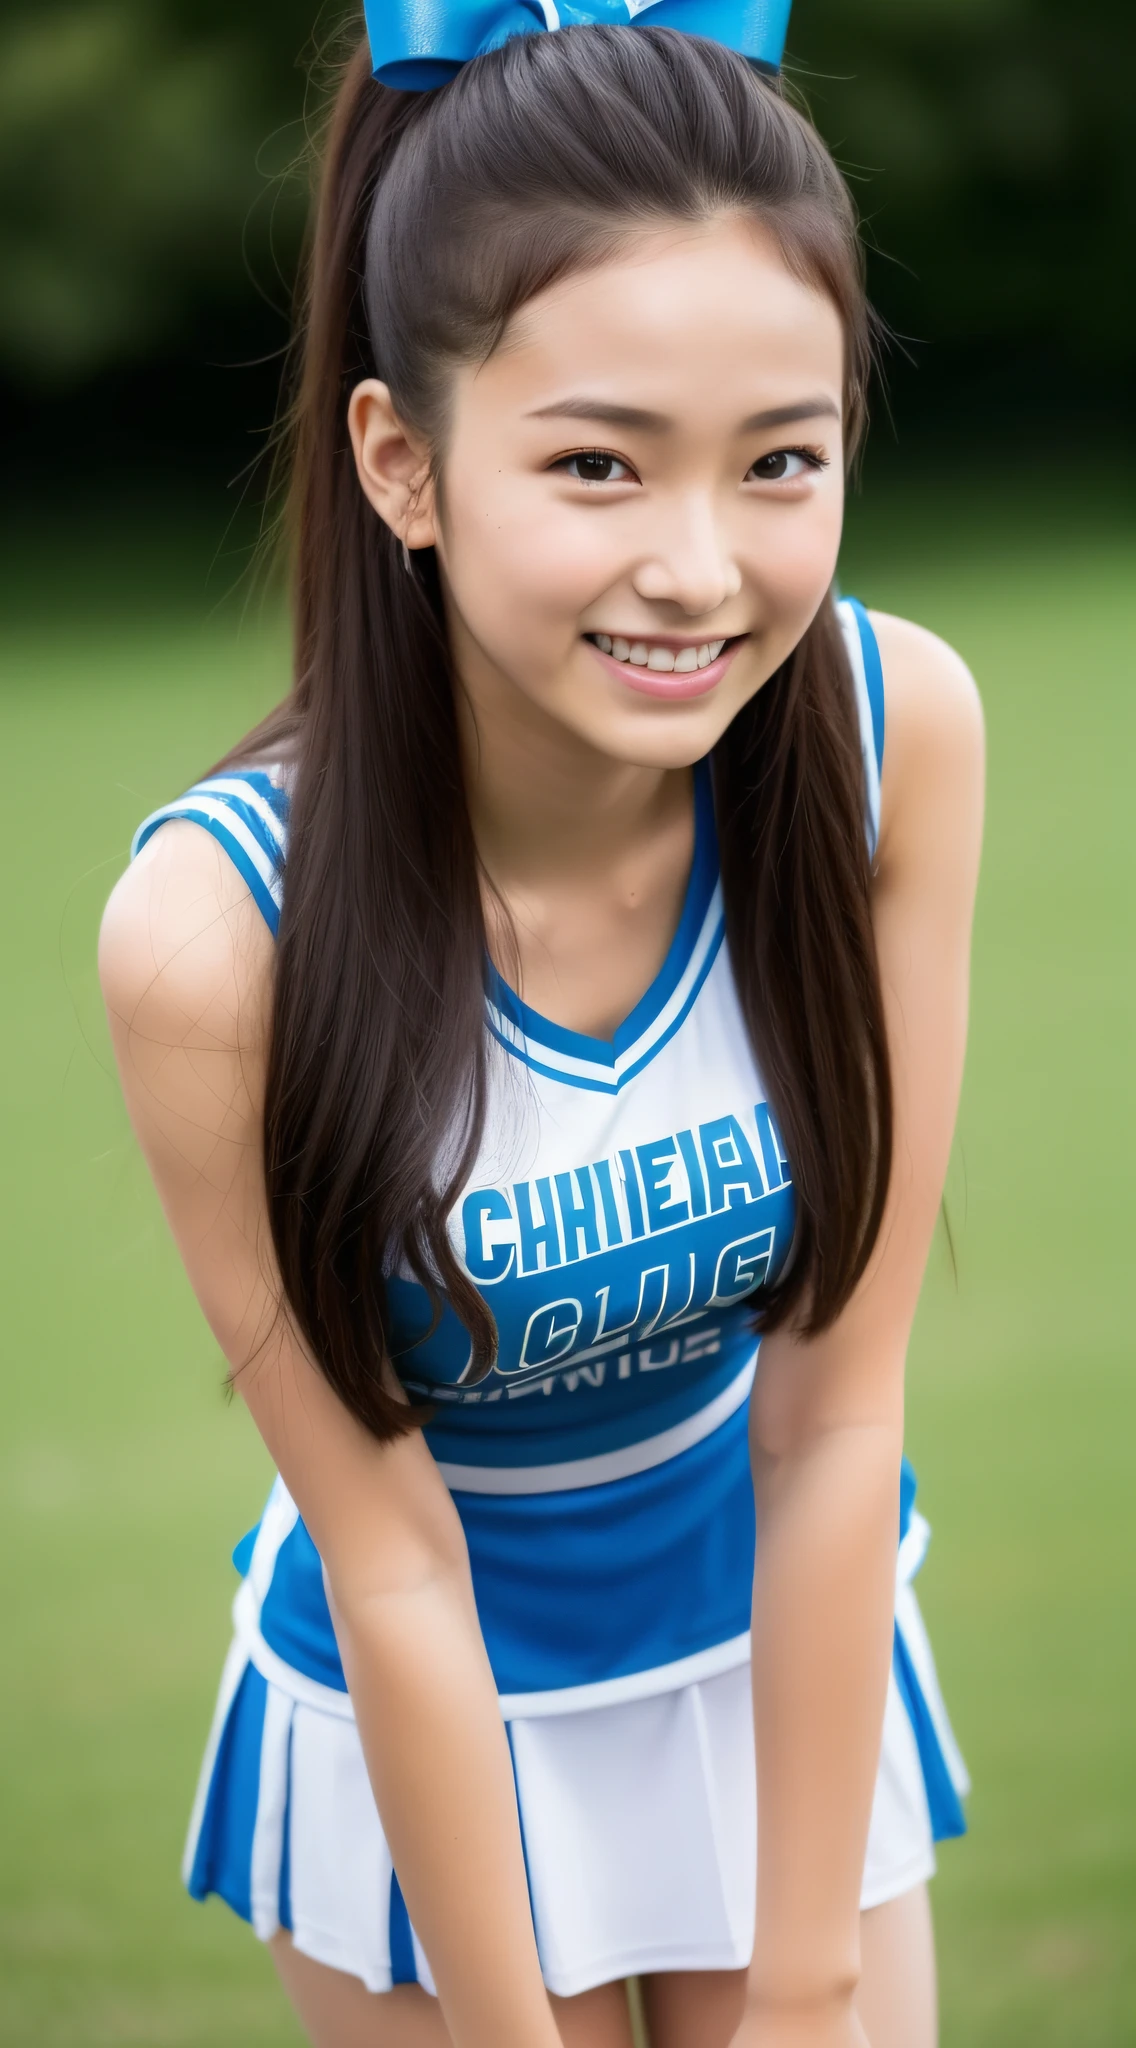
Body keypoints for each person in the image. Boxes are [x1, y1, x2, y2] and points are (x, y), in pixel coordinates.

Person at [99, 11, 983, 2048]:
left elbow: (839, 1409)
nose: (697, 568)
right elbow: (392, 1552)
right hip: (428, 1725)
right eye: (597, 463)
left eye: (781, 459)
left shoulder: (887, 735)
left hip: (783, 1664)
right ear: (404, 459)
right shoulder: (217, 935)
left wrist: (805, 1972)